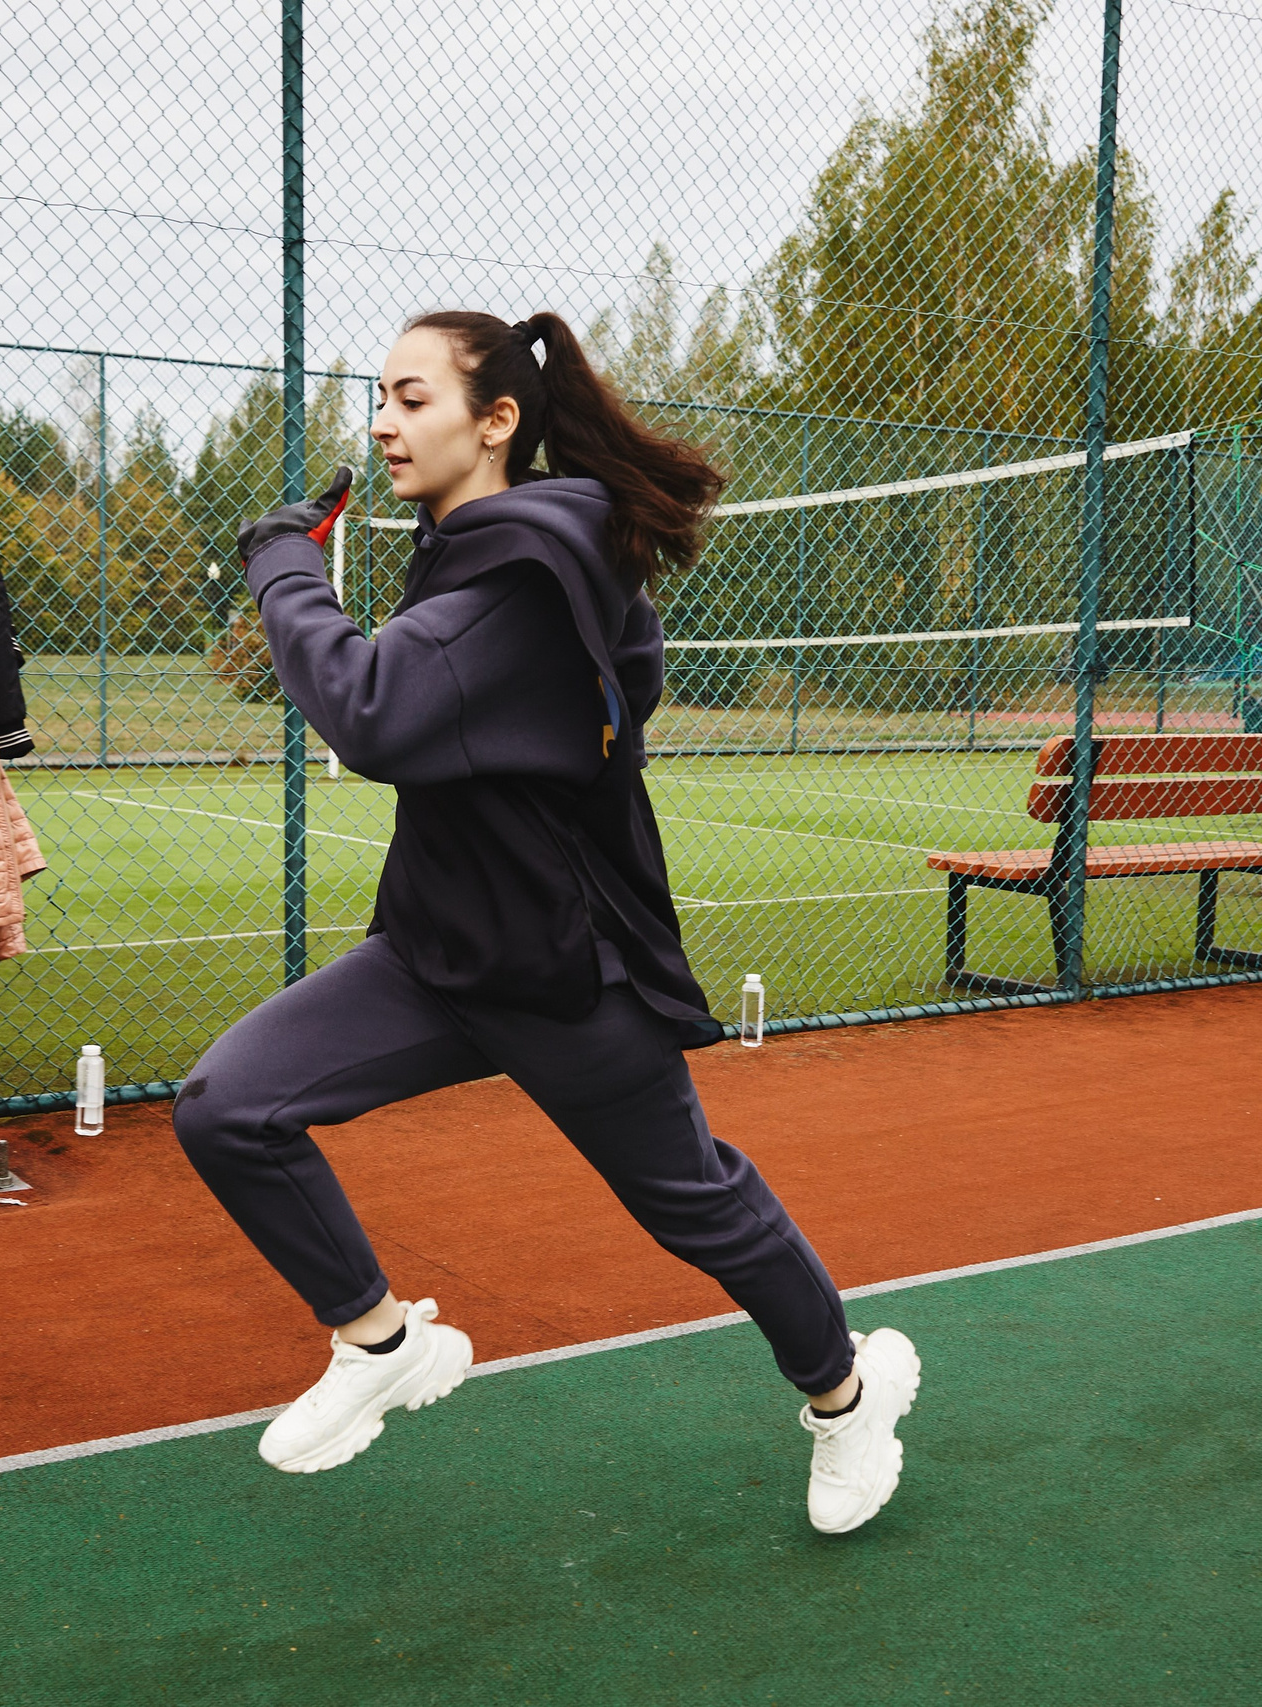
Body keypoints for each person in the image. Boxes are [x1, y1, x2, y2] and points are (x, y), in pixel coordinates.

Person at [172, 310, 920, 1535]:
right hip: (436, 950)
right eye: (379, 399)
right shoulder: (487, 553)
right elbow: (615, 673)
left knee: (696, 1205)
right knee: (227, 1110)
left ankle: (846, 1396)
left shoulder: (525, 565)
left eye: (412, 398)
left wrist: (286, 567)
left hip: (566, 970)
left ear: (497, 420)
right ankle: (380, 1342)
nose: (383, 423)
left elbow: (371, 713)